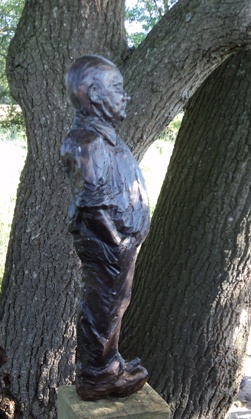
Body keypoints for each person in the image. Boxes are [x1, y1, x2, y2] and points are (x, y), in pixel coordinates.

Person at [60, 55, 150, 401]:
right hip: (107, 243)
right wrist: (117, 242)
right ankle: (97, 375)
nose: (125, 96)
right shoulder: (88, 140)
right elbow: (92, 203)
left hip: (116, 243)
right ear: (94, 94)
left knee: (114, 304)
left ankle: (109, 364)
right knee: (104, 306)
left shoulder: (103, 137)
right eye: (117, 88)